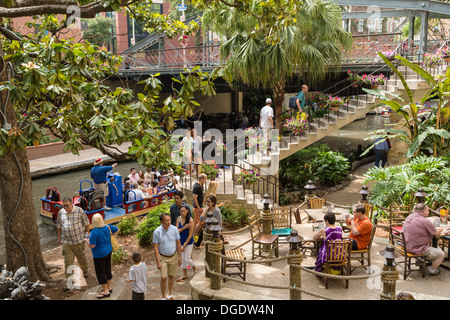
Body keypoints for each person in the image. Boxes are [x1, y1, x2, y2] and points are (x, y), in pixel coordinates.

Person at [57, 197, 91, 291]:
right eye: (63, 206)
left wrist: (87, 235)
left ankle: (85, 270)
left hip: (79, 241)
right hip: (67, 242)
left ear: (72, 204)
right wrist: (59, 237)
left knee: (81, 257)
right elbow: (59, 226)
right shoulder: (61, 212)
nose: (65, 207)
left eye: (67, 205)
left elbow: (86, 223)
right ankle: (69, 282)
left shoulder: (79, 211)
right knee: (68, 262)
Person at [403, 203, 446, 275]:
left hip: (406, 245)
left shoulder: (409, 216)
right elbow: (435, 234)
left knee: (436, 247)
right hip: (417, 248)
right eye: (428, 210)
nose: (428, 212)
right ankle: (432, 270)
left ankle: (421, 262)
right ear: (423, 211)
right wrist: (440, 230)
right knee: (441, 254)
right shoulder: (425, 221)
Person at [85, 213, 119, 299]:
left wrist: (86, 241)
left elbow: (92, 245)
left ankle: (105, 291)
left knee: (101, 272)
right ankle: (109, 287)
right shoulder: (107, 227)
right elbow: (117, 230)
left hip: (99, 255)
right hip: (108, 251)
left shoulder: (94, 232)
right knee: (107, 269)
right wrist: (112, 236)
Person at [153, 213, 182, 300]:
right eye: (166, 220)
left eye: (169, 220)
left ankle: (169, 294)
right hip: (162, 257)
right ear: (161, 222)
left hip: (173, 256)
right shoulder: (157, 232)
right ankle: (163, 296)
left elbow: (178, 243)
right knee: (163, 277)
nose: (169, 222)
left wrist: (180, 257)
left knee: (171, 276)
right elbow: (155, 247)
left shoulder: (174, 229)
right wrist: (158, 262)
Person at [176, 205, 198, 282]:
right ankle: (185, 274)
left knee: (187, 258)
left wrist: (184, 245)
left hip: (188, 242)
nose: (182, 213)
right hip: (180, 241)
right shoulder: (178, 219)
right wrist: (183, 228)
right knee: (183, 259)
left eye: (183, 211)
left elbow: (190, 234)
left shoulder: (190, 220)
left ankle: (195, 269)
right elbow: (176, 231)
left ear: (187, 211)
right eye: (181, 211)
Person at [192, 173, 207, 248]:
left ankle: (194, 239)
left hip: (199, 206)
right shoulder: (197, 187)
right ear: (201, 179)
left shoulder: (200, 186)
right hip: (197, 208)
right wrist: (198, 208)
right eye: (205, 179)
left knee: (196, 222)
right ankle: (193, 236)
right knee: (200, 223)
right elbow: (194, 198)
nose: (205, 181)